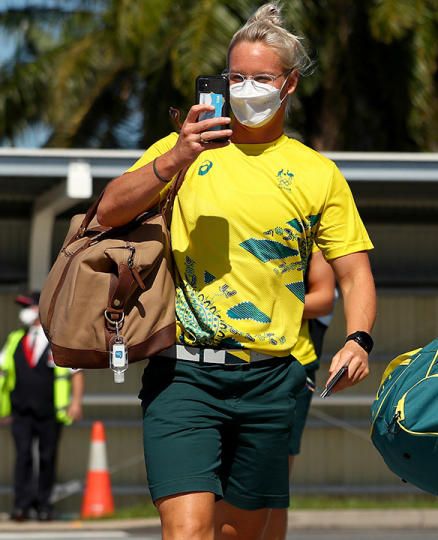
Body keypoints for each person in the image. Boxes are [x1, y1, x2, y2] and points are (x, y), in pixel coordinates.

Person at [96, 4, 376, 539]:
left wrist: (358, 338)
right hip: (183, 374)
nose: (247, 88)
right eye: (236, 77)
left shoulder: (319, 173)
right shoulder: (183, 150)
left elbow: (355, 274)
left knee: (241, 534)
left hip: (272, 379)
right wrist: (175, 158)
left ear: (289, 83)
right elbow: (106, 211)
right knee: (186, 532)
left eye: (262, 78)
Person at [262, 251, 337, 540]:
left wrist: (262, 303)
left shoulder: (306, 232)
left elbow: (324, 298)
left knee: (273, 481)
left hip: (291, 364)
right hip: (223, 361)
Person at [0, 292, 84, 522]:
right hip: (21, 411)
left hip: (50, 412)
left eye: (29, 307)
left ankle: (44, 506)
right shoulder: (15, 338)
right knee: (23, 456)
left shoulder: (58, 340)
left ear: (41, 310)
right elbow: (3, 371)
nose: (25, 312)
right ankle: (21, 506)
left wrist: (75, 403)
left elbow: (75, 373)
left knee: (47, 457)